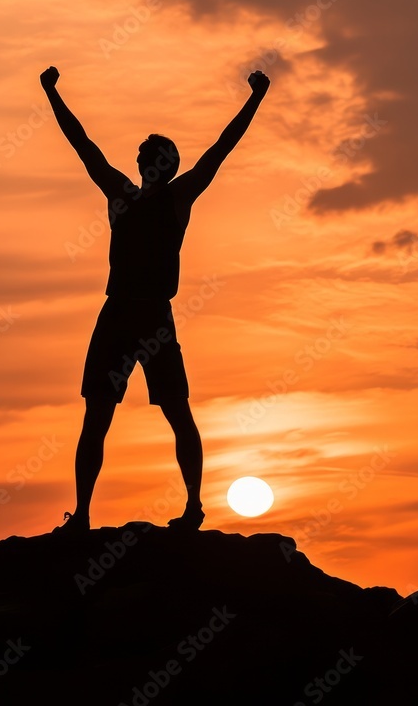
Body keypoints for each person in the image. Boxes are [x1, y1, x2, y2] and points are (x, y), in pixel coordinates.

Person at [40, 64, 270, 533]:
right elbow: (82, 144)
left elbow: (221, 148)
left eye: (163, 160)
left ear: (171, 168)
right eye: (149, 157)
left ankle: (193, 508)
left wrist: (256, 98)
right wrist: (52, 93)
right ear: (142, 162)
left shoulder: (179, 197)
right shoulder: (120, 193)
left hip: (153, 319)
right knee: (97, 413)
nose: (154, 165)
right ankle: (82, 514)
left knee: (177, 409)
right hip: (117, 313)